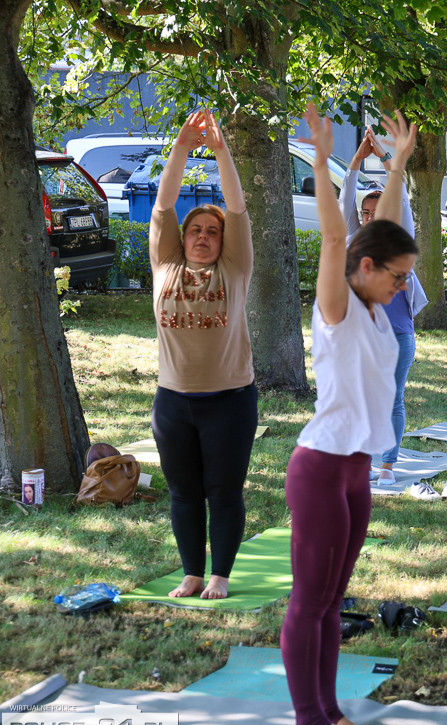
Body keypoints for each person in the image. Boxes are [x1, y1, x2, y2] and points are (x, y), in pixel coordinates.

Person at [281, 103, 417, 725]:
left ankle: (329, 713)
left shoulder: (374, 306)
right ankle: (310, 723)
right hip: (320, 466)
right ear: (366, 269)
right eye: (397, 276)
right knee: (310, 602)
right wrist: (326, 158)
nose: (402, 286)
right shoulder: (336, 306)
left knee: (333, 602)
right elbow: (342, 240)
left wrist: (398, 166)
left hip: (357, 467)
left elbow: (381, 231)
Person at [150, 109, 257, 600]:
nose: (202, 237)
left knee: (223, 493)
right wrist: (180, 148)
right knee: (183, 493)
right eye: (195, 230)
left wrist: (218, 151)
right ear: (181, 238)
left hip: (230, 400)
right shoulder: (164, 263)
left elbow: (235, 209)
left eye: (211, 233)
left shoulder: (234, 269)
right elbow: (163, 203)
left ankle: (221, 575)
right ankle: (192, 571)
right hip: (173, 401)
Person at [340, 127, 427, 486]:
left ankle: (387, 466)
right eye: (365, 212)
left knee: (391, 399)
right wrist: (357, 161)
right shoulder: (351, 241)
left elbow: (402, 200)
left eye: (377, 211)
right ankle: (362, 464)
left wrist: (388, 159)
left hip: (397, 335)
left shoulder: (397, 242)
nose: (369, 216)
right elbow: (345, 198)